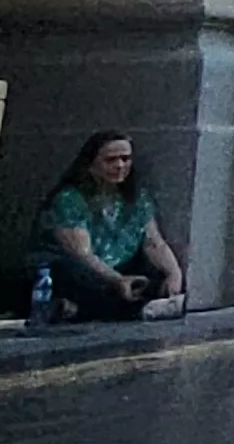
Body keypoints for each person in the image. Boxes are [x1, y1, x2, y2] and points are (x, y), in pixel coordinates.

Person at [26, 131, 186, 322]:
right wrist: (117, 280)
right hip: (82, 270)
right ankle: (137, 310)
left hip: (118, 269)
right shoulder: (70, 200)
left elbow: (153, 243)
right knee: (79, 277)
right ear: (91, 165)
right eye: (110, 160)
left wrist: (174, 274)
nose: (120, 166)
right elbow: (81, 253)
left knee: (150, 275)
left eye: (125, 159)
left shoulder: (138, 199)